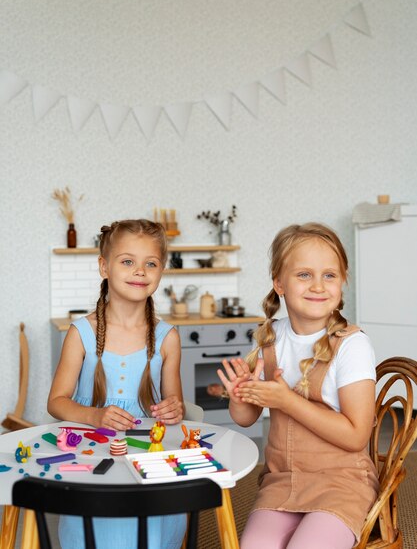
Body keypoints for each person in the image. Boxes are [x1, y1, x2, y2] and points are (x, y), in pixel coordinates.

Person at [217, 222, 379, 549]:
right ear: (279, 283)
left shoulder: (352, 345)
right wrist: (240, 395)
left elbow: (357, 435)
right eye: (304, 275)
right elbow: (246, 418)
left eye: (329, 275)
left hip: (341, 484)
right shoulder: (272, 337)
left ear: (342, 281)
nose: (318, 285)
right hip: (282, 480)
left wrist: (287, 401)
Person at [48, 219, 186, 549]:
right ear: (104, 267)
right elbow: (56, 402)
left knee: (152, 533)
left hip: (146, 460)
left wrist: (173, 409)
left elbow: (175, 406)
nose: (139, 271)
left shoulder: (168, 337)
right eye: (127, 261)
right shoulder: (81, 333)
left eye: (150, 263)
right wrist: (95, 416)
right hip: (90, 454)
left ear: (161, 271)